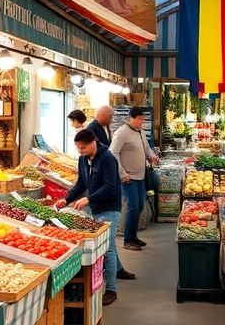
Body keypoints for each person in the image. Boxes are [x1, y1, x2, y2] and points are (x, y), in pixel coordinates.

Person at [55, 129, 134, 306]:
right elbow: (81, 183)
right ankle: (116, 271)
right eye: (78, 148)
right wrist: (66, 199)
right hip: (94, 208)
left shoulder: (107, 159)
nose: (80, 151)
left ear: (93, 143)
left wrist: (88, 199)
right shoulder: (83, 159)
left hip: (110, 208)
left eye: (82, 147)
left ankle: (111, 289)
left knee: (108, 247)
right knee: (103, 244)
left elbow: (110, 187)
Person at [110, 107, 158, 251]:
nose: (142, 122)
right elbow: (113, 153)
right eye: (140, 119)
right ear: (131, 117)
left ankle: (133, 236)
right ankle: (128, 240)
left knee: (140, 206)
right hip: (128, 178)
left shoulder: (140, 132)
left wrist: (152, 156)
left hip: (141, 177)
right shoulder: (122, 132)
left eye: (143, 119)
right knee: (133, 207)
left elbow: (146, 148)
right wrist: (122, 173)